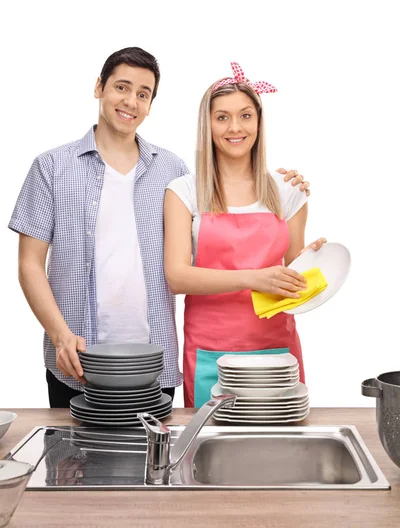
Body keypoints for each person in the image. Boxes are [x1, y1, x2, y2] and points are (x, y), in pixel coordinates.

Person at [8, 49, 311, 408]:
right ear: (99, 87)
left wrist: (286, 193)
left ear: (151, 104)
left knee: (160, 461)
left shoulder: (171, 170)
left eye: (143, 94)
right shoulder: (51, 167)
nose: (131, 101)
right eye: (121, 87)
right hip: (77, 357)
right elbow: (30, 265)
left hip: (157, 361)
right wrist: (60, 336)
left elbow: (228, 240)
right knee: (74, 459)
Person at [164, 62, 326, 407]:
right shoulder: (184, 191)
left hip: (276, 353)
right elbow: (176, 277)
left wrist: (316, 263)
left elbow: (294, 275)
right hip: (211, 352)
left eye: (245, 116)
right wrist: (254, 278)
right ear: (206, 125)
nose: (234, 127)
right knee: (210, 453)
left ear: (259, 121)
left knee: (278, 452)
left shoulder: (288, 191)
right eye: (222, 117)